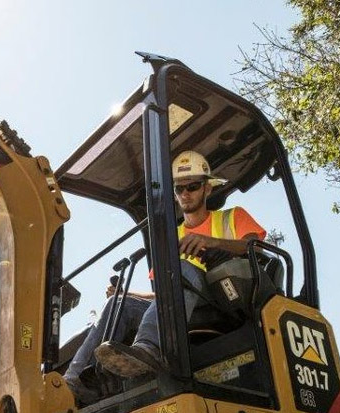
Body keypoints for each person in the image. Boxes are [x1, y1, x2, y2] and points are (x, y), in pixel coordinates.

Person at [64, 150, 266, 399]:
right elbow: (162, 296)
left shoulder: (232, 217)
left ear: (207, 189)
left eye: (192, 186)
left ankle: (148, 348)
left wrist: (210, 243)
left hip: (224, 304)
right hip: (179, 310)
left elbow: (254, 247)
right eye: (179, 189)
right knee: (118, 303)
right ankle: (72, 383)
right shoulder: (170, 237)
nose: (185, 194)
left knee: (182, 268)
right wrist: (126, 292)